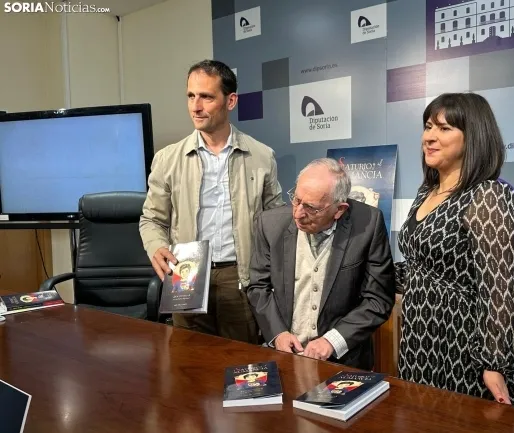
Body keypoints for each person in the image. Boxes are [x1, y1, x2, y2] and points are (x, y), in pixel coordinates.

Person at [139, 59, 285, 344]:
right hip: (186, 274)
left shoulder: (261, 156)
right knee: (190, 360)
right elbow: (152, 219)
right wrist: (156, 246)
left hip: (239, 277)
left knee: (241, 361)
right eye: (191, 96)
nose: (195, 106)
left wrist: (268, 275)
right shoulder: (167, 159)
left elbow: (276, 221)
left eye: (206, 97)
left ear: (230, 101)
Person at [395, 92, 514, 405]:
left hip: (462, 346)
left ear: (473, 137)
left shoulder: (488, 196)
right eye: (428, 127)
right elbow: (420, 268)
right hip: (418, 341)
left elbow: (498, 289)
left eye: (444, 128)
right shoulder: (426, 192)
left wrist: (493, 363)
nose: (429, 137)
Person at [247, 158, 396, 370]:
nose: (298, 214)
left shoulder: (368, 225)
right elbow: (258, 288)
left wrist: (332, 341)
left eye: (311, 208)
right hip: (284, 355)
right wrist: (278, 334)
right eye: (296, 199)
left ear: (339, 209)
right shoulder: (269, 224)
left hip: (344, 361)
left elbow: (378, 299)